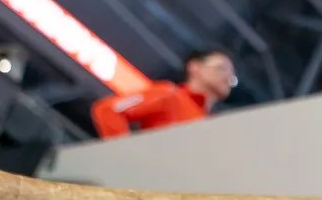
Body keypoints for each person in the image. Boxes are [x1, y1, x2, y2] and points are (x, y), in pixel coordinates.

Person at [89, 49, 236, 139]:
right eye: (221, 69)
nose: (227, 77)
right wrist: (125, 156)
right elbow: (109, 109)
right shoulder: (169, 95)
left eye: (232, 75)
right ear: (195, 67)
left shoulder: (211, 124)